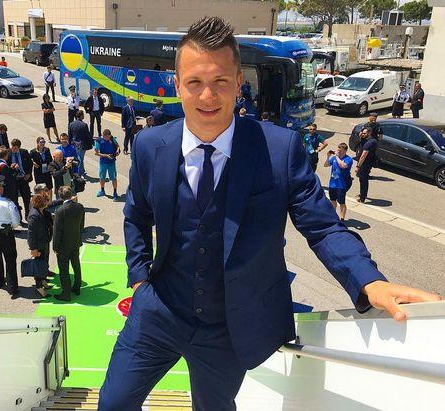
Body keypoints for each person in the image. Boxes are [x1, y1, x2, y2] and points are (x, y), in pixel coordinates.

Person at [98, 17, 440, 411]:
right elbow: (137, 214)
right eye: (194, 82)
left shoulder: (279, 150)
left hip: (230, 327)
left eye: (220, 81)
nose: (207, 95)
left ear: (238, 83)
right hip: (159, 310)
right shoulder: (149, 145)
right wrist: (139, 277)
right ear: (176, 85)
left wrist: (368, 281)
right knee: (113, 403)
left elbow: (323, 228)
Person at [52, 186, 85, 301]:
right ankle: (77, 287)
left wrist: (55, 246)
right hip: (75, 241)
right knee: (76, 265)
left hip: (63, 245)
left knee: (64, 269)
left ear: (60, 196)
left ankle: (66, 293)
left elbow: (57, 231)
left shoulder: (60, 211)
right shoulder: (80, 207)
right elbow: (81, 225)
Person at [27, 192, 54, 298]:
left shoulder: (42, 211)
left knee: (44, 263)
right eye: (46, 200)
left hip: (44, 242)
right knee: (39, 266)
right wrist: (33, 248)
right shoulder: (34, 215)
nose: (48, 202)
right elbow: (31, 234)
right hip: (38, 245)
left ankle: (43, 281)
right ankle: (39, 287)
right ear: (42, 203)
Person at [324, 143, 353, 221]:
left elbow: (343, 166)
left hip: (342, 184)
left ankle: (342, 218)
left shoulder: (348, 159)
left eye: (340, 150)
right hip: (332, 183)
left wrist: (336, 157)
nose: (338, 151)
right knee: (333, 200)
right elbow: (326, 165)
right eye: (338, 149)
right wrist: (328, 157)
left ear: (345, 151)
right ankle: (333, 216)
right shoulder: (334, 158)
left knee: (341, 202)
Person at [8, 139, 33, 222]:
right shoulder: (8, 152)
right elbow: (6, 166)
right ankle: (19, 218)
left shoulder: (24, 152)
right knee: (15, 199)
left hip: (23, 179)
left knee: (27, 198)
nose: (13, 149)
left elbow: (30, 163)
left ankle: (28, 215)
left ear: (19, 147)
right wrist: (11, 167)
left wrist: (28, 174)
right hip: (14, 180)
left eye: (15, 148)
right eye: (12, 147)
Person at [94, 129, 121, 200]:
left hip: (112, 162)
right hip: (103, 162)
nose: (107, 138)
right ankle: (102, 190)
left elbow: (118, 146)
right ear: (103, 135)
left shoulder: (112, 139)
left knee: (113, 178)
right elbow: (96, 153)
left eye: (108, 136)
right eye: (105, 136)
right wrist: (106, 156)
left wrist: (117, 150)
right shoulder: (98, 141)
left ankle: (115, 193)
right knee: (102, 177)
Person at [355, 128, 377, 204]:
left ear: (369, 133)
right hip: (365, 164)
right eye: (362, 133)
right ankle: (362, 194)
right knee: (362, 180)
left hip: (365, 164)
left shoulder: (369, 143)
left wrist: (358, 166)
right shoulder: (367, 140)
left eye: (364, 133)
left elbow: (363, 156)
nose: (362, 134)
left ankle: (362, 198)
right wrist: (361, 135)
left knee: (363, 181)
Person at [68, 110, 93, 176]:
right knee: (80, 159)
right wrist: (91, 142)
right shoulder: (84, 125)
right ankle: (78, 173)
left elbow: (70, 135)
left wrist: (69, 144)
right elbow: (87, 135)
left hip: (74, 143)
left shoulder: (71, 124)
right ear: (81, 116)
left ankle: (82, 170)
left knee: (79, 158)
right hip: (82, 144)